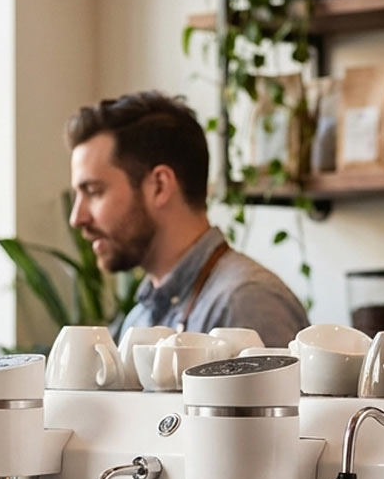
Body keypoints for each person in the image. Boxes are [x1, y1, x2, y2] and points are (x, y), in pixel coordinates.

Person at [66, 90, 309, 348]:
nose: (77, 218)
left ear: (159, 186)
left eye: (94, 192)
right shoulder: (140, 319)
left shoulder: (246, 303)